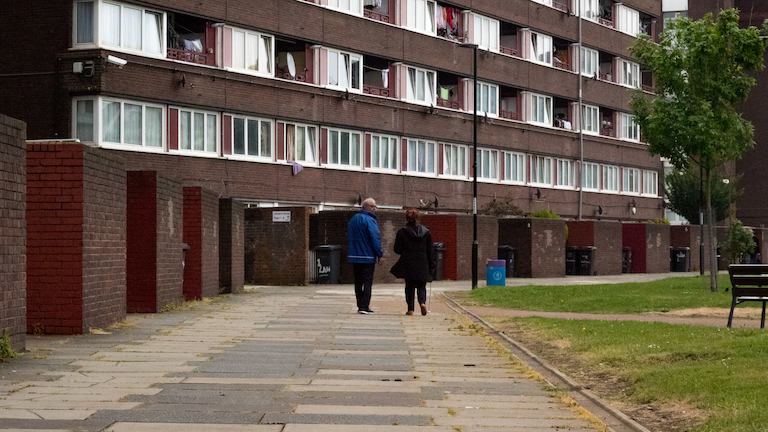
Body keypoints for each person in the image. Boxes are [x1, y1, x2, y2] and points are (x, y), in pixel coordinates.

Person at [392, 209, 435, 316]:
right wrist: (432, 265)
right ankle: (422, 303)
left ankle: (410, 309)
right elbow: (430, 250)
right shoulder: (426, 232)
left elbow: (397, 249)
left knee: (409, 286)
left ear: (406, 218)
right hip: (423, 262)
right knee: (421, 285)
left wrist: (406, 251)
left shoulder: (402, 232)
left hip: (408, 262)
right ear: (418, 218)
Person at [347, 197, 383, 314]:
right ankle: (364, 306)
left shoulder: (353, 220)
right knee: (367, 282)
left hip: (354, 256)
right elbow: (375, 238)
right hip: (367, 256)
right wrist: (379, 253)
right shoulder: (370, 220)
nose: (375, 209)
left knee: (358, 281)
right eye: (373, 206)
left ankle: (359, 305)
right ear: (367, 207)